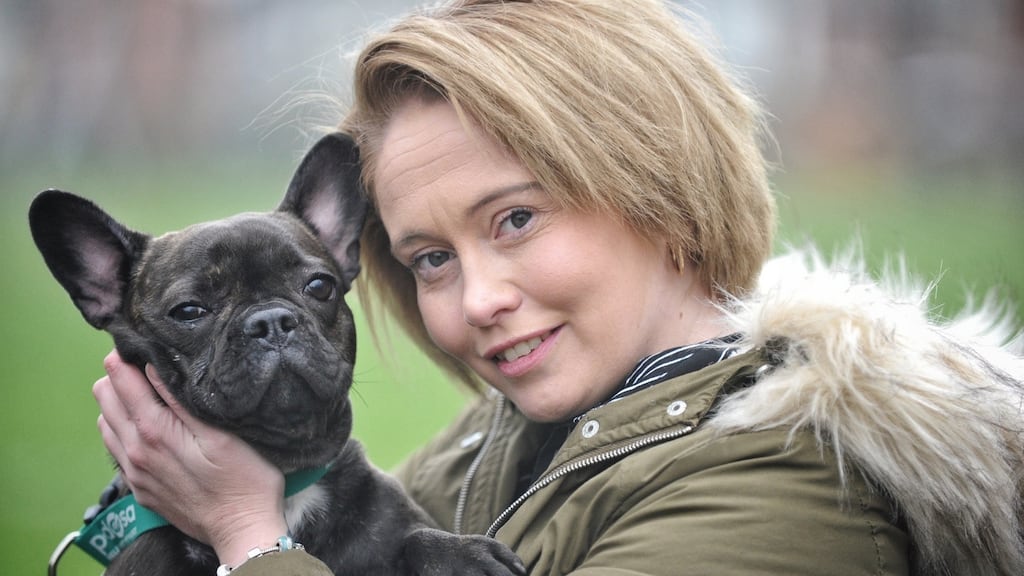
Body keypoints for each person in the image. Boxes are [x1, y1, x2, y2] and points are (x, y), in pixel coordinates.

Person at [92, 0, 1024, 574]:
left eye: (515, 220)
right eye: (430, 259)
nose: (477, 300)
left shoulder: (795, 482)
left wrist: (247, 533)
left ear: (660, 187)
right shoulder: (493, 443)